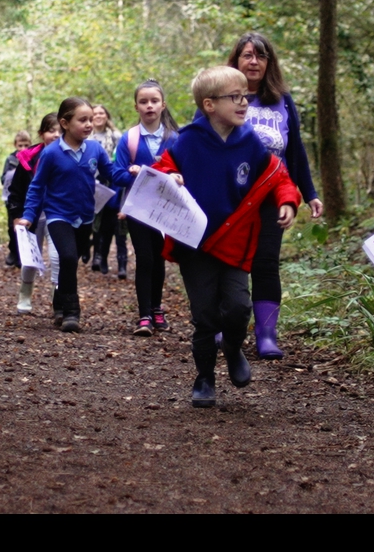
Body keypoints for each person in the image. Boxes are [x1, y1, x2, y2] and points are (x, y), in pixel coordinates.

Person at [151, 66, 301, 407]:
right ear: (209, 105)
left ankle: (232, 348)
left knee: (238, 306)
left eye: (244, 96)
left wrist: (288, 201)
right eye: (234, 97)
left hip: (235, 242)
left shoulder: (249, 140)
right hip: (195, 244)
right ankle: (204, 378)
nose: (244, 102)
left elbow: (278, 176)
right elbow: (161, 168)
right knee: (204, 316)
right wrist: (171, 174)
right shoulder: (187, 140)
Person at [228, 32, 322, 360]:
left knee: (266, 262)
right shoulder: (222, 96)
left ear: (269, 63)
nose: (254, 61)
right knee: (230, 262)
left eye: (261, 56)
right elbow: (197, 141)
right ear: (236, 60)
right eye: (247, 55)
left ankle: (266, 334)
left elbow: (295, 151)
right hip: (231, 197)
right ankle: (225, 328)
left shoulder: (282, 100)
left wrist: (308, 193)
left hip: (271, 194)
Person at [17, 98, 108, 333]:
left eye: (90, 120)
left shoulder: (96, 149)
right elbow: (37, 187)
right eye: (83, 120)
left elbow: (113, 174)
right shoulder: (52, 153)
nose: (89, 124)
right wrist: (28, 215)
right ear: (65, 123)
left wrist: (137, 175)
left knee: (71, 263)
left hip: (85, 217)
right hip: (58, 215)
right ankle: (71, 312)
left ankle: (59, 303)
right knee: (67, 257)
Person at [111, 79, 181, 336]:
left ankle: (157, 308)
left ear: (163, 105)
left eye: (154, 101)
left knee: (159, 257)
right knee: (145, 258)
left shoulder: (175, 138)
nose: (149, 106)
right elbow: (116, 174)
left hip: (165, 209)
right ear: (136, 106)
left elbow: (184, 171)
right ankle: (144, 315)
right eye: (144, 102)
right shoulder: (128, 139)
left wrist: (174, 175)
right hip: (138, 208)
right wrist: (136, 174)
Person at [10, 113, 59, 313]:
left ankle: (59, 299)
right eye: (51, 131)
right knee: (30, 258)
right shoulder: (28, 159)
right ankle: (25, 293)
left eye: (60, 131)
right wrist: (16, 216)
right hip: (31, 216)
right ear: (41, 134)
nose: (56, 135)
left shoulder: (70, 155)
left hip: (57, 214)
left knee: (57, 257)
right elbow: (16, 191)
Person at [89, 104, 126, 277]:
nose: (98, 116)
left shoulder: (116, 136)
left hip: (110, 182)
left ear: (106, 115)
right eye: (94, 113)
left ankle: (101, 258)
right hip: (89, 182)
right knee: (93, 220)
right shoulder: (86, 135)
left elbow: (121, 158)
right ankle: (92, 253)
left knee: (107, 221)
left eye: (101, 113)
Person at [0, 131, 30, 268]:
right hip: (11, 198)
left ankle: (23, 256)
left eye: (26, 145)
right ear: (15, 145)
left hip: (28, 198)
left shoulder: (32, 158)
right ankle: (13, 251)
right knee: (12, 227)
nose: (23, 148)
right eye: (20, 145)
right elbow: (3, 178)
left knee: (26, 227)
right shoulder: (11, 159)